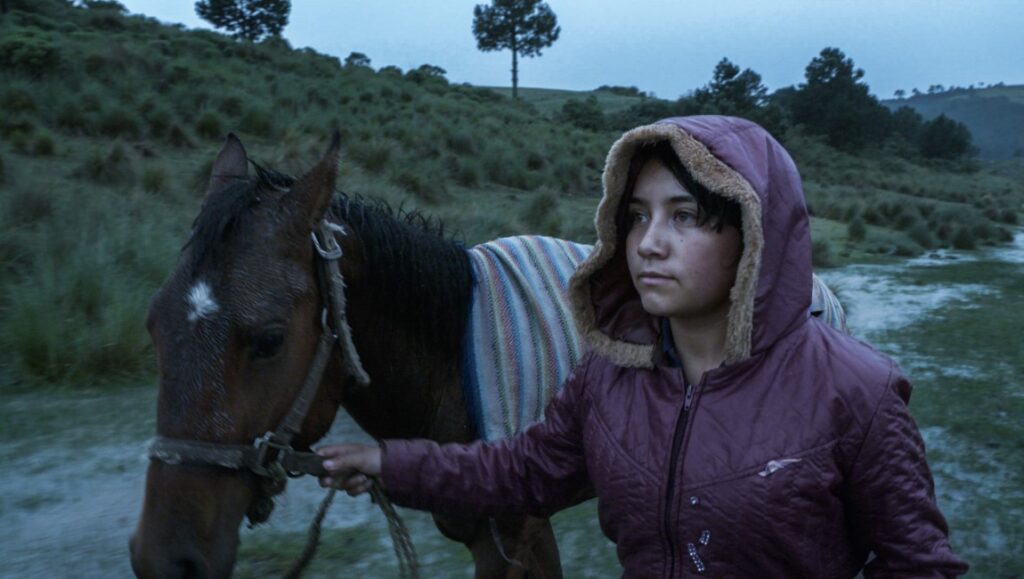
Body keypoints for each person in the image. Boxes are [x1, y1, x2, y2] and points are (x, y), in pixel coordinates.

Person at [318, 116, 967, 577]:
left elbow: (919, 564)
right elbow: (520, 471)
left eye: (683, 216)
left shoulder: (858, 392)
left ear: (755, 233)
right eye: (637, 216)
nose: (648, 243)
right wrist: (390, 463)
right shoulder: (610, 374)